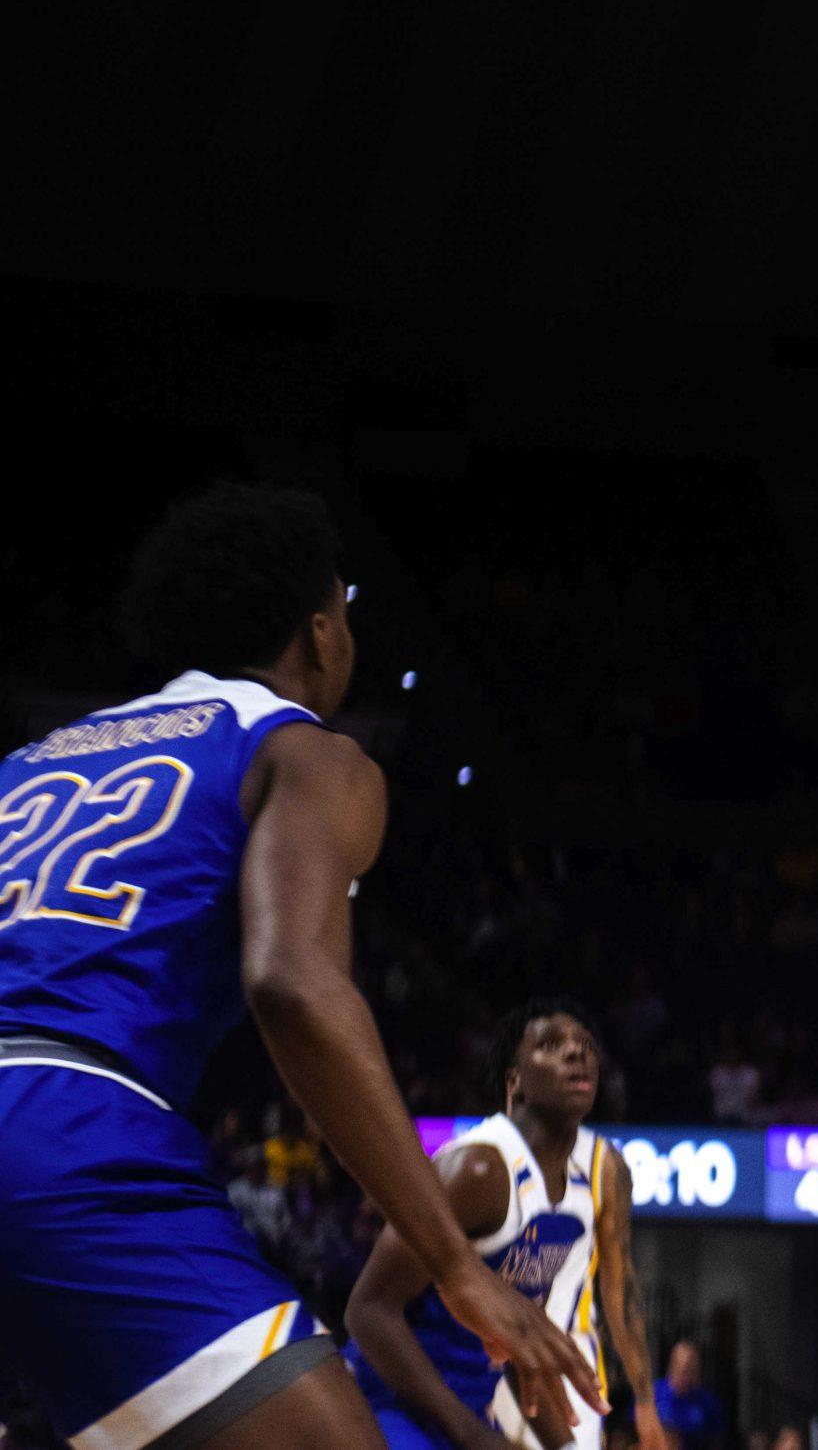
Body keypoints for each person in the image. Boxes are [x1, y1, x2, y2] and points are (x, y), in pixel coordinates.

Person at [0, 483, 597, 1450]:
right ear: (321, 634)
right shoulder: (304, 751)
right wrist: (456, 1264)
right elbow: (289, 978)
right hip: (65, 1126)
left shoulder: (32, 759)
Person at [345, 1000, 667, 1450]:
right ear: (515, 1082)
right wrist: (469, 1433)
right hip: (386, 1405)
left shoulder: (576, 1196)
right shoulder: (479, 1169)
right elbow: (367, 1310)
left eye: (585, 1046)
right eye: (551, 1046)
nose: (576, 1054)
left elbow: (517, 1346)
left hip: (470, 1411)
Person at [654, 1343, 726, 1450]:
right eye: (680, 1367)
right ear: (671, 1367)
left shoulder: (709, 1403)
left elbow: (717, 1441)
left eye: (691, 1369)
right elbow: (631, 1433)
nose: (685, 1375)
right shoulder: (653, 1394)